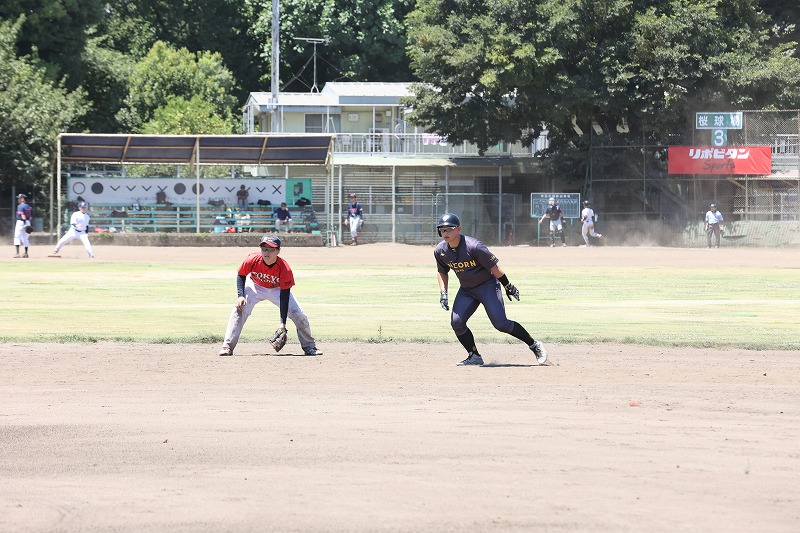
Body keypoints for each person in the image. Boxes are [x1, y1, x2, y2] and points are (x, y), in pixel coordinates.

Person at [434, 213, 547, 366]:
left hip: (487, 287)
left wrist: (507, 285)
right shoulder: (440, 250)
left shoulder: (474, 246)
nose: (445, 233)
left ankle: (534, 345)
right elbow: (442, 271)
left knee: (501, 324)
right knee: (457, 322)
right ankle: (474, 356)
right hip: (467, 290)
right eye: (442, 230)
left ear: (459, 229)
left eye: (449, 229)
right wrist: (443, 293)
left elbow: (494, 268)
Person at [218, 234, 322, 357]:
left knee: (298, 314)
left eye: (271, 249)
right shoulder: (252, 259)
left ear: (278, 251)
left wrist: (282, 324)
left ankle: (309, 347)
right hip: (255, 286)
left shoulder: (284, 268)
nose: (266, 253)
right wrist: (240, 295)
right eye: (264, 249)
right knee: (239, 309)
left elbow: (284, 296)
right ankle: (227, 347)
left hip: (277, 289)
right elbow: (241, 275)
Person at [13, 193, 33, 258]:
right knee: (25, 238)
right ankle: (26, 253)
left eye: (19, 198)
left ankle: (17, 254)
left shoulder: (20, 206)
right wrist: (27, 223)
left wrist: (24, 224)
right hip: (28, 222)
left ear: (22, 199)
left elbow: (22, 215)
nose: (18, 199)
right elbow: (30, 217)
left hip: (21, 222)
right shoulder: (29, 207)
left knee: (17, 237)